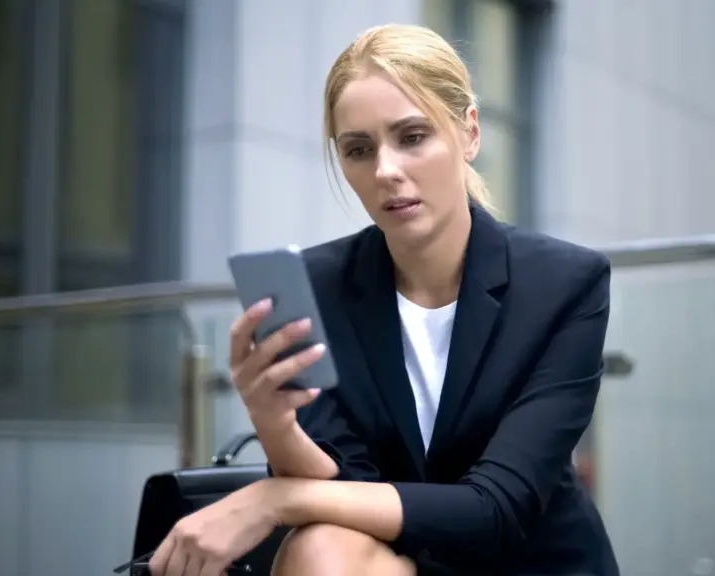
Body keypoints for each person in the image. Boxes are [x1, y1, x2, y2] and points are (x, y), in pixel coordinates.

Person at [148, 23, 619, 576]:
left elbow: (497, 508)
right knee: (320, 546)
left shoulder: (565, 283)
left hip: (530, 563)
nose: (385, 171)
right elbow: (346, 488)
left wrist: (273, 497)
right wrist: (278, 429)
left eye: (412, 136)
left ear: (469, 133)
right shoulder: (319, 285)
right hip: (391, 562)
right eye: (358, 149)